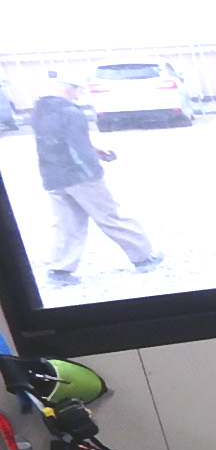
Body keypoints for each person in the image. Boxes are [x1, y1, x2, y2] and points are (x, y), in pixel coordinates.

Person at [31, 72, 162, 288]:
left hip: (52, 175)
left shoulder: (40, 111)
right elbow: (78, 146)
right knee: (110, 216)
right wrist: (93, 169)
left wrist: (95, 150)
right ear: (68, 88)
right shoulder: (71, 112)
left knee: (67, 224)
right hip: (80, 175)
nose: (79, 94)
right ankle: (144, 257)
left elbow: (57, 141)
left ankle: (60, 270)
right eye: (77, 89)